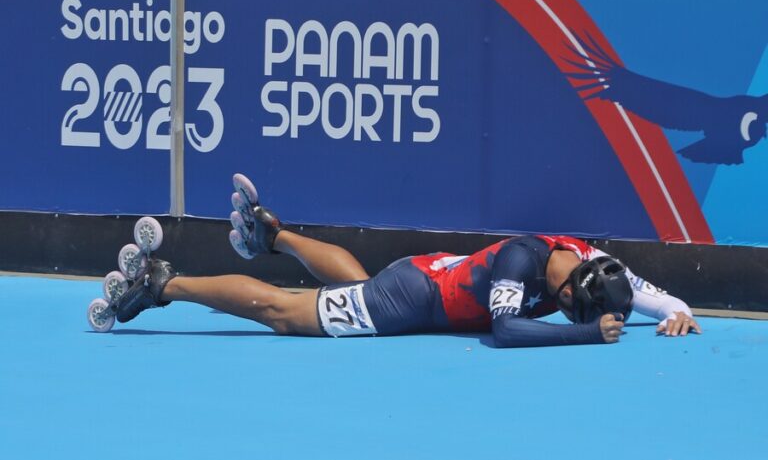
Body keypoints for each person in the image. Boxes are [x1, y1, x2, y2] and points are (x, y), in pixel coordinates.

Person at [112, 174, 702, 348]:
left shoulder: (584, 260)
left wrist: (676, 309)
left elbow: (644, 291)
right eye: (578, 313)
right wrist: (588, 338)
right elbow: (504, 328)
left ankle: (276, 236)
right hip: (408, 301)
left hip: (424, 275)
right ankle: (165, 283)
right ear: (573, 295)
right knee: (285, 312)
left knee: (357, 287)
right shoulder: (523, 262)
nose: (574, 312)